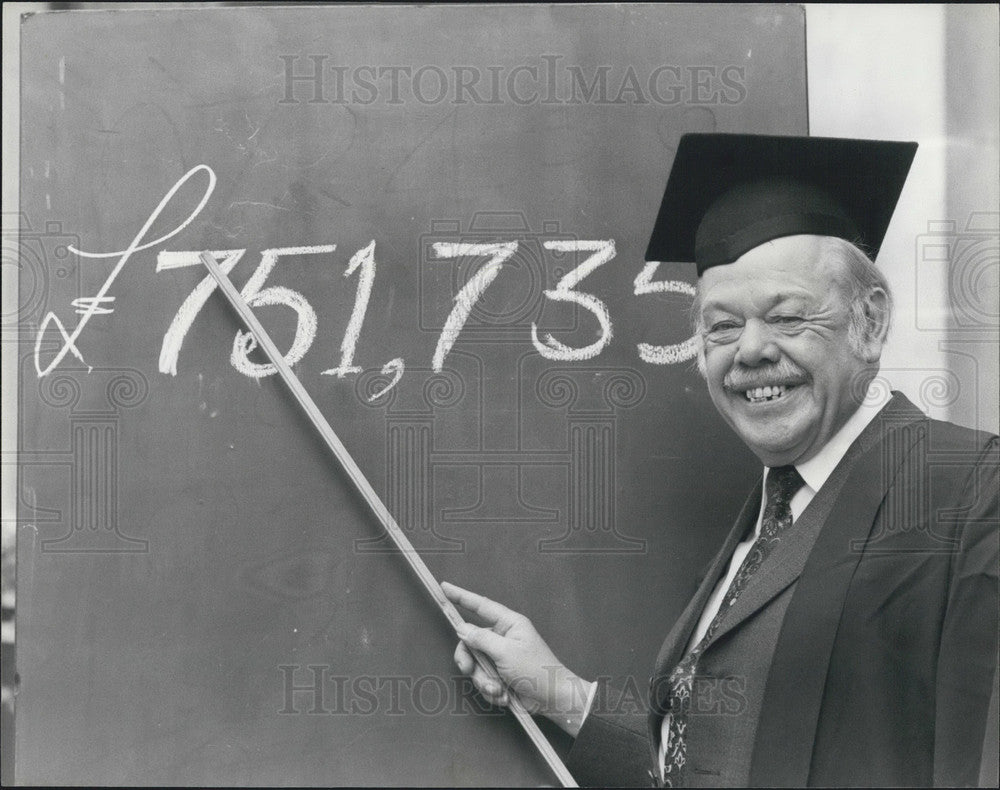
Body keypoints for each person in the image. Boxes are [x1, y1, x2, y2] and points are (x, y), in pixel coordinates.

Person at [442, 134, 999, 788]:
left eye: (787, 317)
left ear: (870, 323)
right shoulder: (767, 521)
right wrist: (562, 696)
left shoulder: (967, 493)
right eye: (722, 327)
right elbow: (707, 760)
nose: (751, 351)